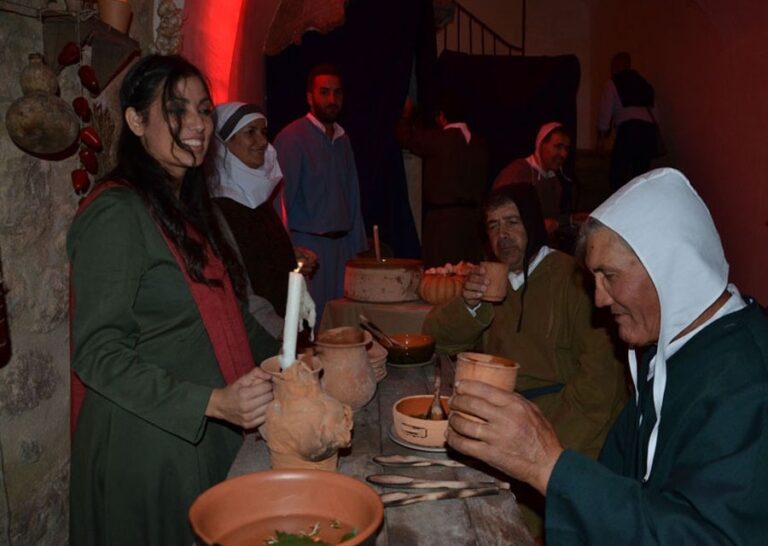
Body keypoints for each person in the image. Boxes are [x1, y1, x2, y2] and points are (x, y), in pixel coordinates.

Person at [447, 168, 768, 545]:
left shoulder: (748, 381)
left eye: (609, 276)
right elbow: (620, 479)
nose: (598, 299)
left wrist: (547, 465)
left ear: (669, 266)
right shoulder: (672, 352)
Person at [68, 55, 280, 545]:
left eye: (204, 110)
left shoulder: (184, 208)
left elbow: (228, 315)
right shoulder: (117, 213)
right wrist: (212, 402)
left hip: (204, 432)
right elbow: (97, 353)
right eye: (176, 109)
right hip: (150, 445)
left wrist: (295, 362)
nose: (196, 125)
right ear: (136, 121)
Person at [422, 183, 627, 539]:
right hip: (496, 422)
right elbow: (434, 337)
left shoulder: (572, 278)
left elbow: (601, 380)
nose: (503, 236)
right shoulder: (489, 280)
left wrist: (545, 451)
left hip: (554, 427)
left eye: (512, 222)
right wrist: (471, 304)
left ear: (531, 222)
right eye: (493, 225)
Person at [211, 101, 317, 338]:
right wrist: (282, 333)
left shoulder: (258, 200)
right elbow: (240, 287)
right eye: (250, 132)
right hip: (260, 333)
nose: (262, 141)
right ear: (224, 143)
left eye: (263, 132)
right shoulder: (217, 209)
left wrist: (291, 255)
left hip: (284, 325)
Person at [273, 64, 368, 322]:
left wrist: (358, 250)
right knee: (308, 323)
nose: (332, 99)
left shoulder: (343, 140)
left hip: (341, 251)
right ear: (309, 97)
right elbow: (280, 201)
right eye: (324, 92)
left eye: (337, 93)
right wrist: (287, 252)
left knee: (342, 324)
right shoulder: (292, 138)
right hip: (308, 249)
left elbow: (353, 197)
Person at [397, 93, 489, 267]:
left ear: (441, 116)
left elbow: (405, 136)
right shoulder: (480, 144)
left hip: (443, 224)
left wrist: (406, 114)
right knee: (469, 275)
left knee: (440, 277)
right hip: (473, 224)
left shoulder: (438, 140)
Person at [597, 51, 660, 191]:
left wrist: (601, 137)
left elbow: (605, 112)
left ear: (615, 66)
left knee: (618, 175)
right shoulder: (645, 85)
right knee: (641, 177)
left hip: (629, 131)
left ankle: (617, 206)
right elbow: (656, 114)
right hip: (647, 133)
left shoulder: (613, 83)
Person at [492, 122, 573, 230]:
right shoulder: (517, 172)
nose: (563, 154)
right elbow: (497, 213)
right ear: (541, 145)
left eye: (566, 149)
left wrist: (571, 219)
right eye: (558, 147)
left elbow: (550, 219)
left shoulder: (554, 180)